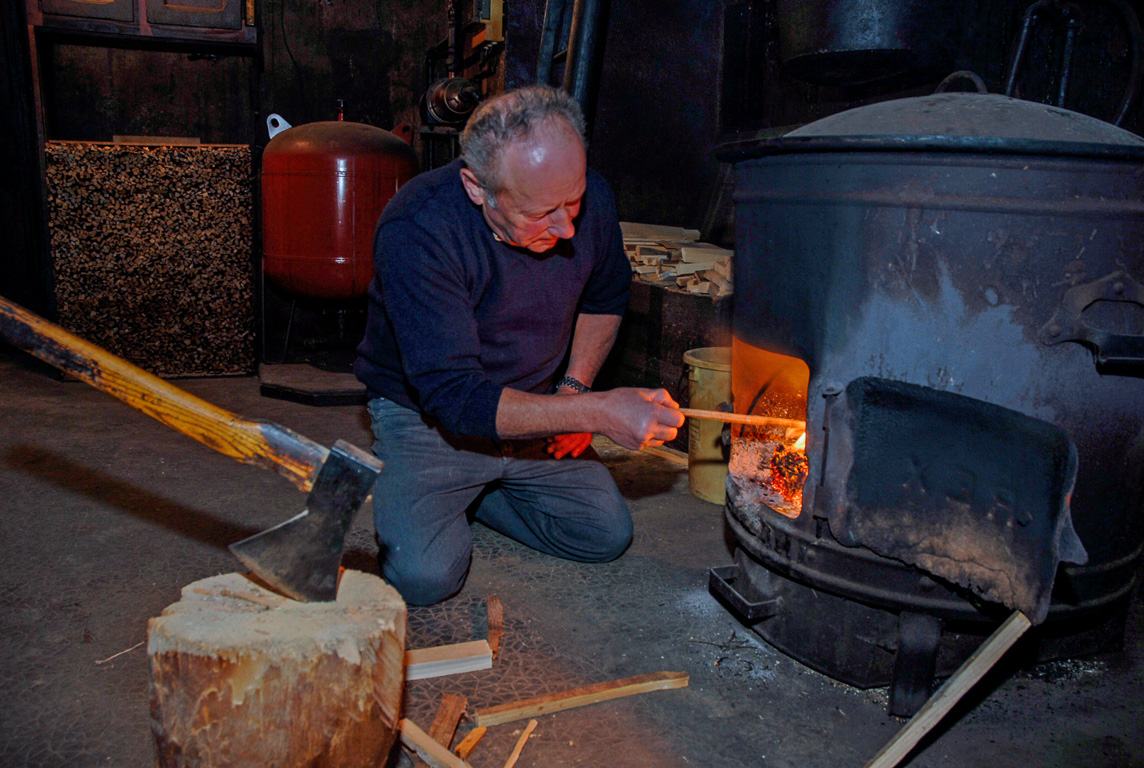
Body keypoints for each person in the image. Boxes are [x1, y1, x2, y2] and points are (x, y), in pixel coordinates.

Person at [354, 85, 684, 606]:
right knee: (424, 578)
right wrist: (595, 413)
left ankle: (480, 490)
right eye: (541, 213)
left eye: (572, 201)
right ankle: (454, 482)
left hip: (534, 396)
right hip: (429, 417)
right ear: (476, 187)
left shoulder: (588, 198)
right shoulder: (418, 227)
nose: (567, 225)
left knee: (603, 534)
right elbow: (456, 397)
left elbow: (607, 294)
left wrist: (574, 396)